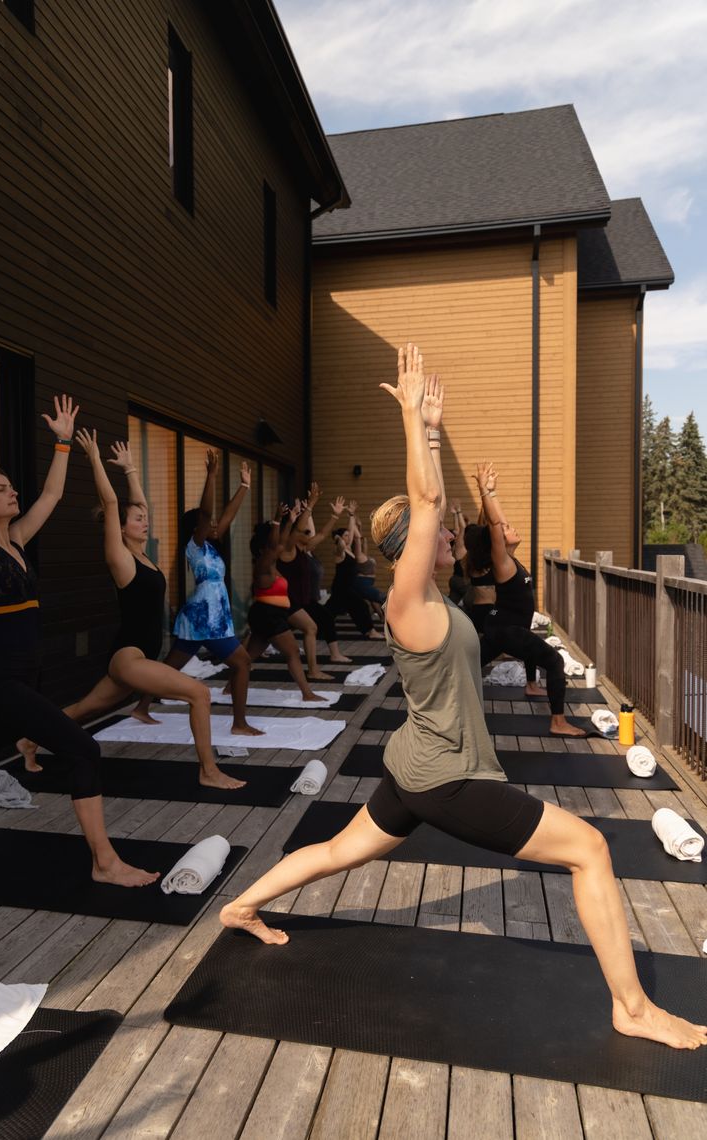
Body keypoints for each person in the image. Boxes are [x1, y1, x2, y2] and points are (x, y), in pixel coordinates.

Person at [219, 343, 707, 1052]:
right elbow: (424, 503)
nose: (450, 533)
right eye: (439, 533)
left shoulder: (438, 600)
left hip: (416, 769)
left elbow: (435, 508)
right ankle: (630, 1007)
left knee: (335, 850)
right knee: (592, 850)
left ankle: (238, 905)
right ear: (407, 549)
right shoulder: (407, 600)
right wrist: (415, 423)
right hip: (445, 778)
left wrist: (436, 434)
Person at [0, 361, 158, 887]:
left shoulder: (16, 541)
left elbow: (50, 496)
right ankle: (104, 863)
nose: (10, 493)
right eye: (0, 490)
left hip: (27, 677)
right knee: (82, 748)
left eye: (8, 488)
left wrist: (64, 445)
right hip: (1, 680)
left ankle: (104, 862)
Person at [24, 430, 245, 790]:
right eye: (137, 519)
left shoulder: (144, 558)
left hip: (135, 655)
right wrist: (95, 458)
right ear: (122, 529)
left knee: (83, 709)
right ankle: (208, 771)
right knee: (198, 693)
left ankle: (30, 739)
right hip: (128, 657)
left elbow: (137, 504)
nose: (145, 520)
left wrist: (130, 471)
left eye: (145, 517)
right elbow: (112, 505)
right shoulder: (121, 559)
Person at [131, 449, 261, 734]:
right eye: (208, 524)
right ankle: (239, 723)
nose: (215, 525)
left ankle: (141, 707)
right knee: (242, 663)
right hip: (206, 616)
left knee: (169, 666)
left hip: (204, 615)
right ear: (196, 529)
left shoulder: (211, 546)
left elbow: (226, 516)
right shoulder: (194, 545)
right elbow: (206, 513)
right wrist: (211, 476)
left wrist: (245, 486)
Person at [465, 463, 584, 733]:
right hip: (506, 627)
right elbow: (494, 523)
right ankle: (559, 722)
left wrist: (491, 494)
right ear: (496, 542)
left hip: (501, 625)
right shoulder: (502, 561)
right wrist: (485, 491)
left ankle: (532, 685)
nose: (510, 527)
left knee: (468, 666)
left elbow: (496, 523)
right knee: (555, 661)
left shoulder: (510, 559)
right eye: (505, 530)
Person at [245, 507, 328, 702]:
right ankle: (307, 693)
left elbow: (281, 542)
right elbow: (276, 544)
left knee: (247, 658)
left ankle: (230, 687)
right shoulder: (263, 564)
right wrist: (276, 521)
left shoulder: (272, 563)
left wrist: (290, 521)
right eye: (272, 546)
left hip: (271, 615)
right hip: (268, 615)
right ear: (263, 548)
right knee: (292, 652)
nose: (279, 548)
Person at [277, 482, 352, 670]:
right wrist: (310, 506)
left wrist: (335, 516)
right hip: (287, 603)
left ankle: (324, 661)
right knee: (309, 627)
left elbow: (322, 534)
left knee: (321, 619)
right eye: (304, 532)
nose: (308, 534)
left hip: (302, 602)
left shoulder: (304, 548)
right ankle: (313, 671)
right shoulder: (287, 549)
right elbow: (297, 530)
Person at [324, 501, 384, 639]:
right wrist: (338, 538)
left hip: (345, 588)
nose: (347, 537)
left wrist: (351, 515)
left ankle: (318, 626)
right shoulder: (340, 552)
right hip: (341, 588)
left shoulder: (349, 550)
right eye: (344, 536)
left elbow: (352, 534)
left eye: (346, 536)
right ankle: (371, 632)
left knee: (330, 611)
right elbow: (340, 544)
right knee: (361, 606)